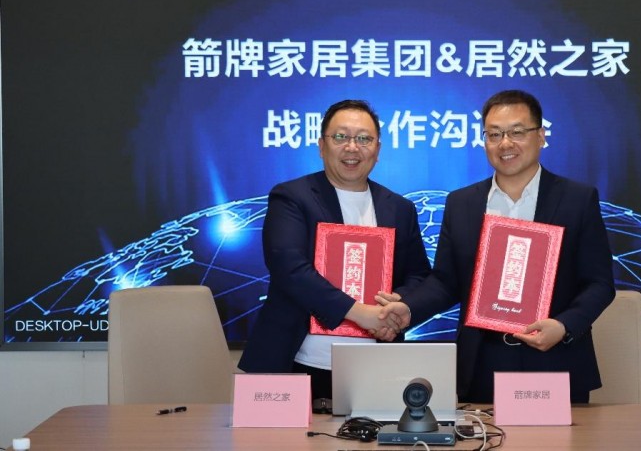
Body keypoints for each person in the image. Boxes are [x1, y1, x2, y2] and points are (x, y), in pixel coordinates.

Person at [379, 89, 615, 404]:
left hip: (554, 358)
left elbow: (599, 283)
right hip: (482, 363)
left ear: (541, 136)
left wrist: (563, 326)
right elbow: (446, 281)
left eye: (517, 132)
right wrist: (409, 308)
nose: (505, 143)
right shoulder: (462, 203)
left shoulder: (577, 199)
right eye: (494, 134)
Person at [239, 99, 431, 400]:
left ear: (378, 149)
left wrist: (396, 307)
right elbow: (289, 268)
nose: (352, 147)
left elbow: (418, 275)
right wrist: (359, 313)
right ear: (321, 145)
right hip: (296, 362)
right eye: (341, 137)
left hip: (376, 365)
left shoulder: (399, 208)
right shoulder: (292, 197)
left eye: (364, 139)